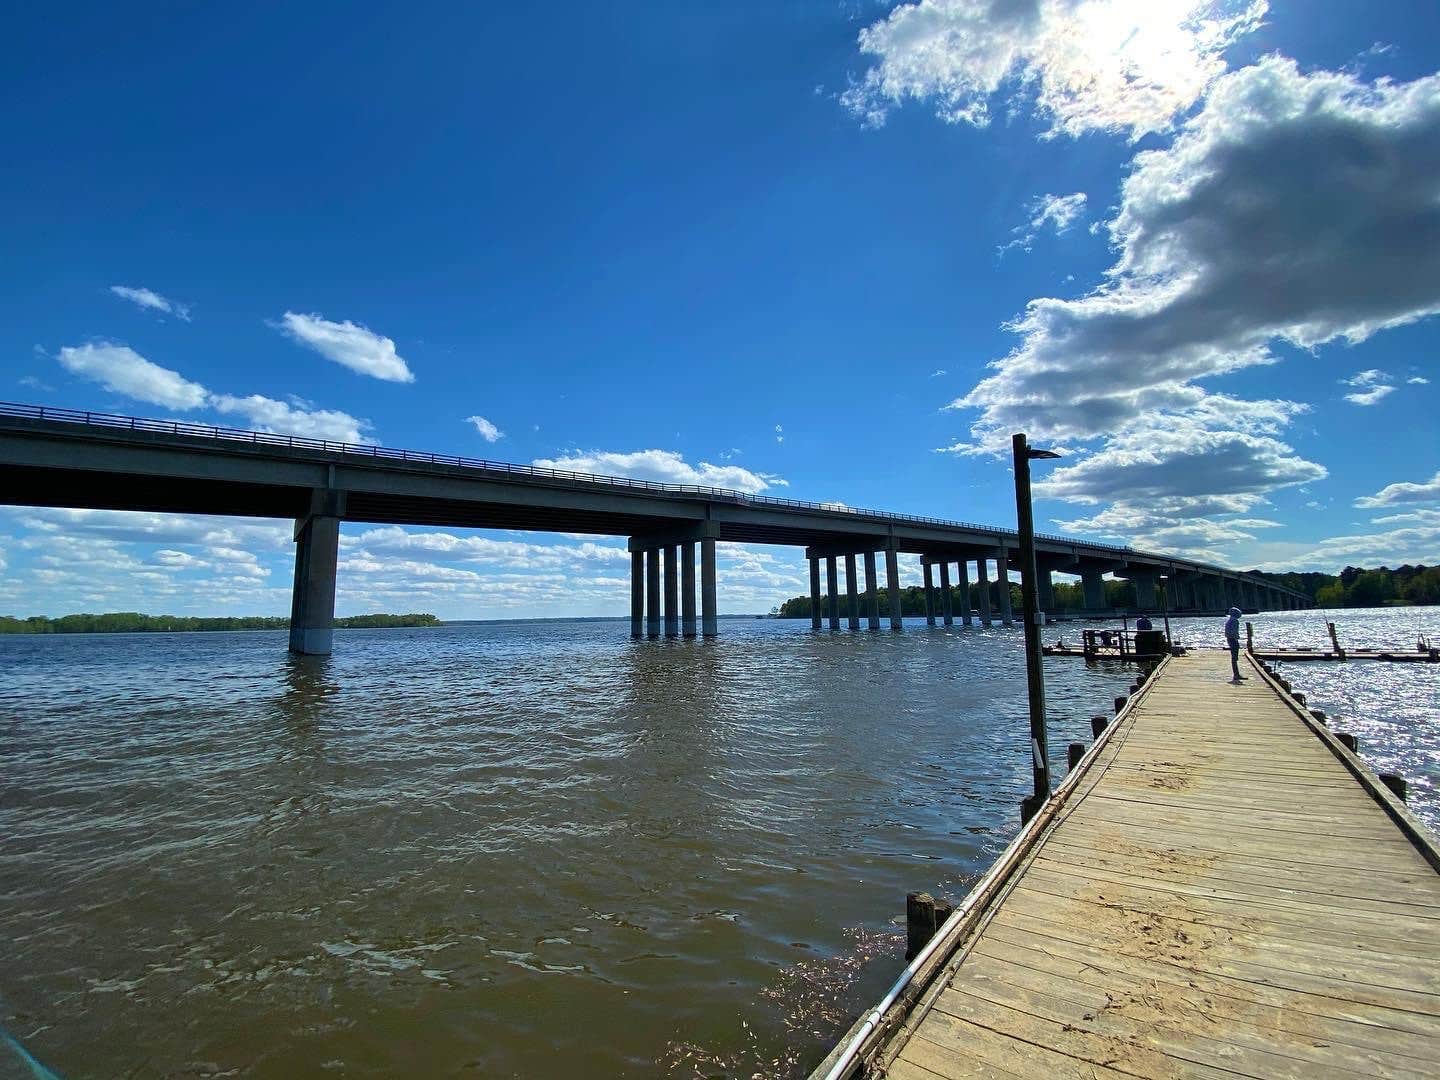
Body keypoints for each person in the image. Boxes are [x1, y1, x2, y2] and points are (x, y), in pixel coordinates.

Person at [1224, 607, 1245, 682]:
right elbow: (1234, 632)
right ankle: (1236, 675)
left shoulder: (1229, 621)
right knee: (1235, 658)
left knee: (1234, 658)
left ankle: (1236, 674)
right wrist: (1237, 637)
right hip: (1233, 640)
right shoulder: (1235, 621)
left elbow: (1227, 633)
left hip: (1229, 640)